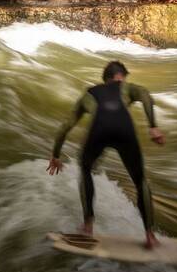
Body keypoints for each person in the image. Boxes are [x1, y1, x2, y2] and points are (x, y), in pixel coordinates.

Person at [46, 61, 166, 249]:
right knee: (140, 181)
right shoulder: (127, 87)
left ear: (105, 78)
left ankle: (87, 227)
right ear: (122, 76)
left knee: (85, 168)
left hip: (98, 131)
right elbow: (145, 95)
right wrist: (153, 126)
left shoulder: (89, 93)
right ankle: (150, 236)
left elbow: (66, 126)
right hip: (124, 130)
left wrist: (56, 155)